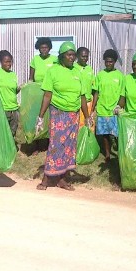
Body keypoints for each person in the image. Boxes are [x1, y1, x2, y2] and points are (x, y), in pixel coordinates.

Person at [36, 41, 91, 191]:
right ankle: (46, 179)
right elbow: (47, 95)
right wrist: (40, 117)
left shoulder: (77, 73)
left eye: (74, 55)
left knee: (69, 148)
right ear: (61, 56)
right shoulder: (53, 71)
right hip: (58, 113)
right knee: (56, 146)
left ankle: (62, 179)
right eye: (69, 55)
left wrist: (87, 117)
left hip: (73, 115)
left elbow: (82, 97)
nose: (72, 58)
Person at [91, 49, 124, 162]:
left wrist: (119, 107)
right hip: (102, 109)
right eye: (106, 61)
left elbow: (122, 94)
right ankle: (107, 154)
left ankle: (120, 153)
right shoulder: (100, 75)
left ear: (115, 62)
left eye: (111, 61)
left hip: (114, 111)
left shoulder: (120, 76)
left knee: (117, 134)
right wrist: (93, 108)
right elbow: (96, 92)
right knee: (105, 135)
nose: (108, 63)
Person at [28, 37, 56, 154]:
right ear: (38, 48)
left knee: (50, 118)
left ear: (49, 48)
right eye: (41, 47)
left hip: (51, 93)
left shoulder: (54, 60)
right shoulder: (35, 59)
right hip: (37, 93)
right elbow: (31, 78)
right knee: (37, 117)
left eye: (46, 47)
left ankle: (50, 143)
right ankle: (36, 144)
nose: (44, 49)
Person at [0, 50, 20, 140]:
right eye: (6, 62)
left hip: (14, 109)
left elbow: (13, 91)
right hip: (2, 109)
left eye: (10, 61)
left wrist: (20, 88)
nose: (8, 64)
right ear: (1, 62)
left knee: (12, 132)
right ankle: (1, 148)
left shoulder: (13, 74)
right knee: (2, 133)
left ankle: (10, 147)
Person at [74, 46, 95, 130]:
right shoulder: (73, 68)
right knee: (79, 128)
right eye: (83, 56)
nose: (85, 58)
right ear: (77, 56)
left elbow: (93, 85)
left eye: (86, 56)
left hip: (88, 103)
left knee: (89, 127)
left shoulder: (89, 68)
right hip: (77, 104)